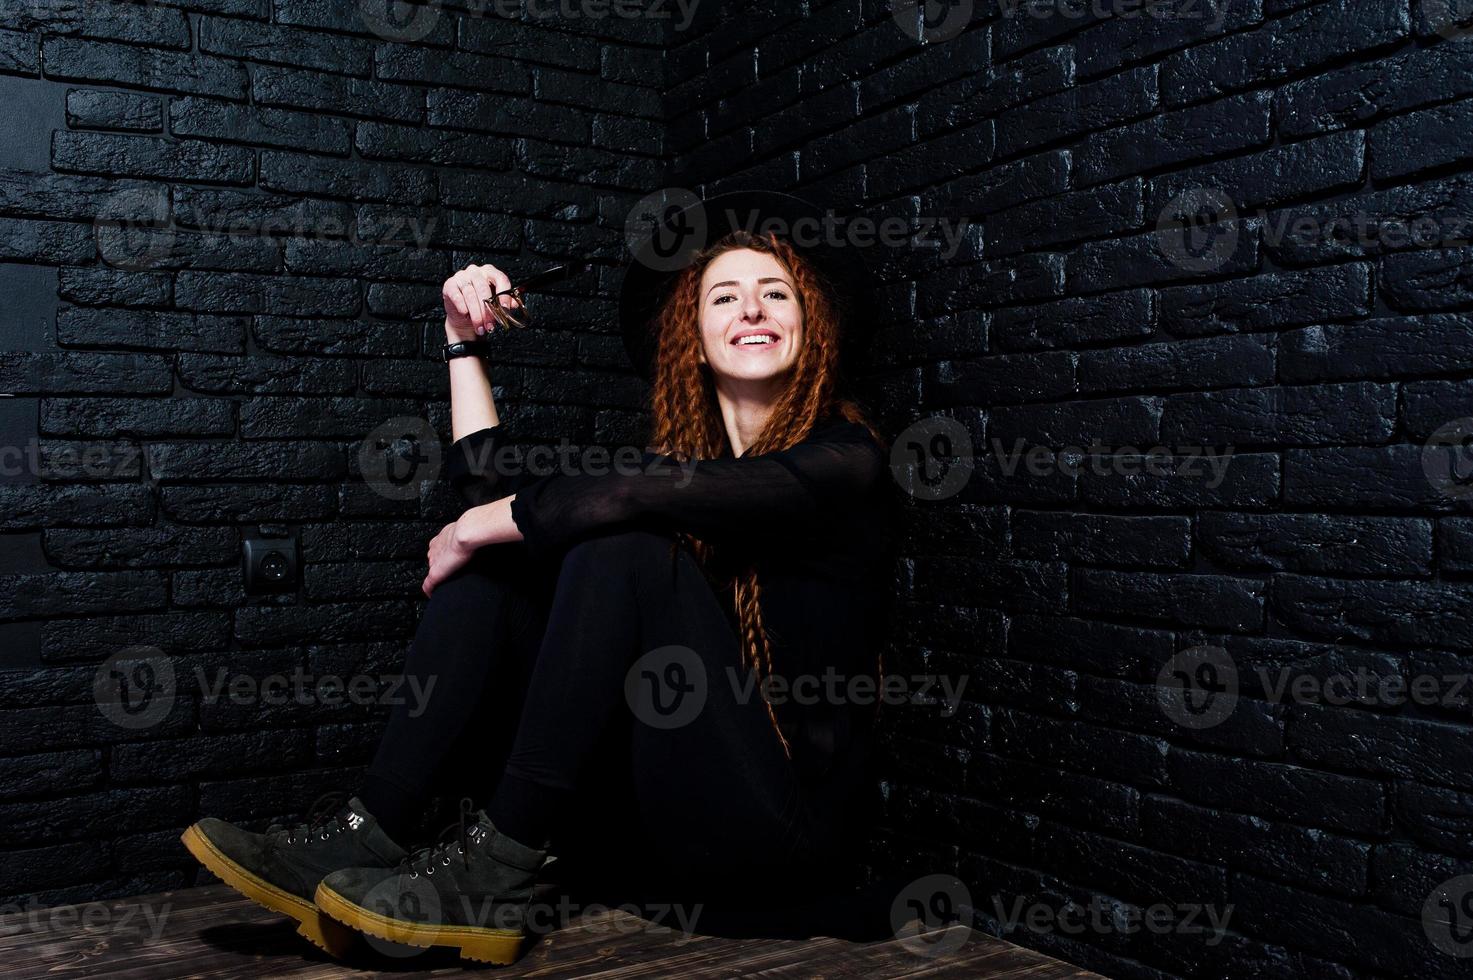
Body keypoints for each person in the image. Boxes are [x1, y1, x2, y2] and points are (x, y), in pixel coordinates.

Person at [180, 191, 899, 965]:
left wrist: (472, 527)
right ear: (689, 338)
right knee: (499, 570)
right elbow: (503, 503)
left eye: (775, 293)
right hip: (659, 823)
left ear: (808, 322)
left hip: (774, 834)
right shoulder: (678, 469)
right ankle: (370, 826)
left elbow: (598, 500)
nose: (751, 309)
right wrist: (463, 345)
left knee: (614, 538)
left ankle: (498, 863)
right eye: (724, 295)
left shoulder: (847, 458)